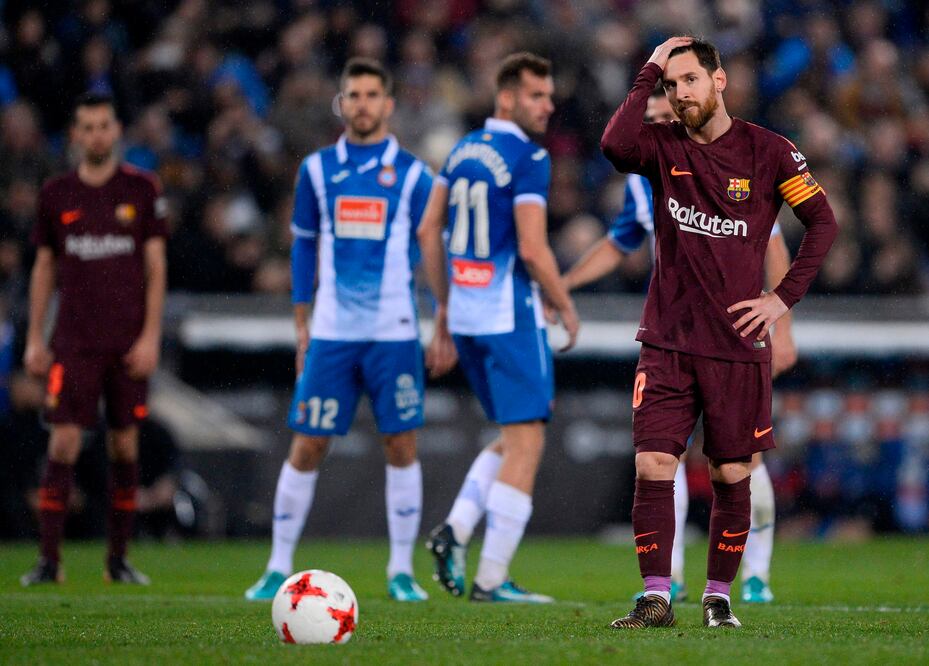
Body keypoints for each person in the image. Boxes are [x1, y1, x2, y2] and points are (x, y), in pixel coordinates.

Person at [601, 37, 837, 629]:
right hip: (668, 340)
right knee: (653, 463)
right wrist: (648, 69)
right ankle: (656, 597)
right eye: (671, 84)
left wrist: (781, 299)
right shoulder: (662, 146)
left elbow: (823, 223)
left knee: (731, 474)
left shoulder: (770, 151)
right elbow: (613, 144)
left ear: (719, 80)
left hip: (737, 345)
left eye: (690, 80)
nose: (680, 93)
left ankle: (717, 597)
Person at [563, 89, 796, 605]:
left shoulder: (734, 163)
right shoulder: (642, 176)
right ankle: (673, 577)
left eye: (665, 113)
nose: (659, 122)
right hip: (675, 335)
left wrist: (784, 327)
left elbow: (774, 245)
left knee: (740, 462)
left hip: (734, 338)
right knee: (666, 457)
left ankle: (755, 574)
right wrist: (566, 284)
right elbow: (620, 242)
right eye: (651, 116)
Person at [244, 58, 442, 603]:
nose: (362, 104)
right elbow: (304, 246)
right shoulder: (316, 170)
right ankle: (276, 566)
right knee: (308, 443)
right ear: (342, 103)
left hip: (394, 332)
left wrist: (442, 316)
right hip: (332, 333)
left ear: (388, 104)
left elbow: (431, 251)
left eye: (372, 94)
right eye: (353, 94)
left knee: (401, 443)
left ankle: (401, 571)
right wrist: (301, 322)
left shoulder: (414, 176)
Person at [419, 52, 579, 603]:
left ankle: (454, 529)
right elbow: (532, 249)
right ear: (506, 97)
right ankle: (490, 579)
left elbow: (428, 230)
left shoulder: (462, 150)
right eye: (536, 95)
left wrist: (444, 307)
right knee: (527, 442)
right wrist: (563, 303)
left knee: (512, 437)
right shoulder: (529, 157)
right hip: (508, 314)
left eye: (549, 96)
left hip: (466, 315)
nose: (547, 106)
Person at [20, 92, 168, 586]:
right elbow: (44, 267)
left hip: (127, 342)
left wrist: (150, 337)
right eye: (88, 127)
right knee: (63, 441)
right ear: (75, 135)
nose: (97, 135)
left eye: (104, 125)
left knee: (124, 445)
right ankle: (49, 561)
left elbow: (155, 266)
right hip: (74, 341)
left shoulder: (141, 189)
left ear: (117, 130)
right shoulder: (56, 194)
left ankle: (118, 560)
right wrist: (36, 338)